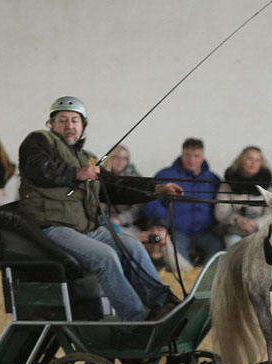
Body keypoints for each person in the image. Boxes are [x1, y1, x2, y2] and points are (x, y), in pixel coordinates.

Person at [17, 96, 182, 322]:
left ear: (83, 125)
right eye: (62, 120)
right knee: (105, 257)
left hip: (85, 228)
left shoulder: (86, 157)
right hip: (52, 227)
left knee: (133, 247)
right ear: (51, 124)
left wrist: (156, 188)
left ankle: (164, 306)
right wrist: (76, 174)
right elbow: (38, 169)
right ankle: (137, 320)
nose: (69, 125)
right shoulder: (38, 142)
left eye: (75, 120)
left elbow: (116, 187)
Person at [142, 138, 222, 264]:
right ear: (181, 154)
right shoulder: (165, 175)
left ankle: (206, 280)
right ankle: (188, 279)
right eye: (187, 155)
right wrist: (167, 218)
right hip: (177, 230)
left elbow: (220, 205)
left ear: (203, 157)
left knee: (217, 249)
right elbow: (149, 200)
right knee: (176, 253)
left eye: (196, 156)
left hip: (206, 231)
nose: (192, 160)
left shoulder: (213, 179)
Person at [214, 145, 272, 247]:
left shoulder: (268, 187)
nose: (253, 163)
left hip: (258, 231)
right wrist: (237, 219)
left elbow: (271, 214)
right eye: (249, 158)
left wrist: (255, 223)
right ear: (241, 161)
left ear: (261, 163)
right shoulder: (227, 184)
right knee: (235, 248)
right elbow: (221, 211)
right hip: (233, 230)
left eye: (257, 160)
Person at [100, 144, 143, 236]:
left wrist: (120, 219)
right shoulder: (100, 177)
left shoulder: (135, 180)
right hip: (104, 219)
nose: (120, 161)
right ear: (110, 158)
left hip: (126, 223)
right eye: (116, 157)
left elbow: (137, 210)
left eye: (124, 158)